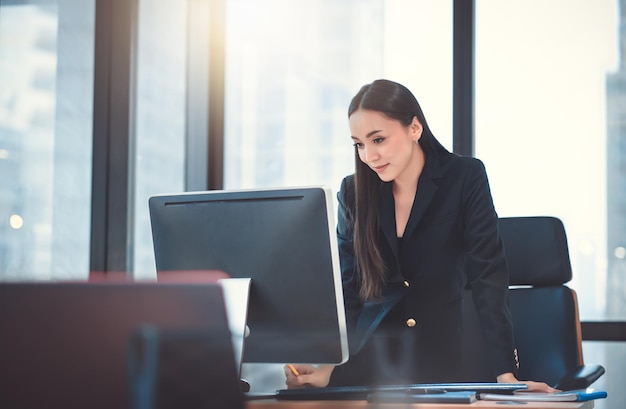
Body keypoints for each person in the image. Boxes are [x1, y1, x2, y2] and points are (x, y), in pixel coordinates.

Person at [284, 79, 555, 392]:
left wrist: (505, 374)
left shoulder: (464, 177)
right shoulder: (354, 192)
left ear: (414, 128)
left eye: (379, 139)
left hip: (441, 364)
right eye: (359, 144)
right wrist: (328, 367)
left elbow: (488, 277)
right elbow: (349, 289)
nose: (369, 155)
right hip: (368, 368)